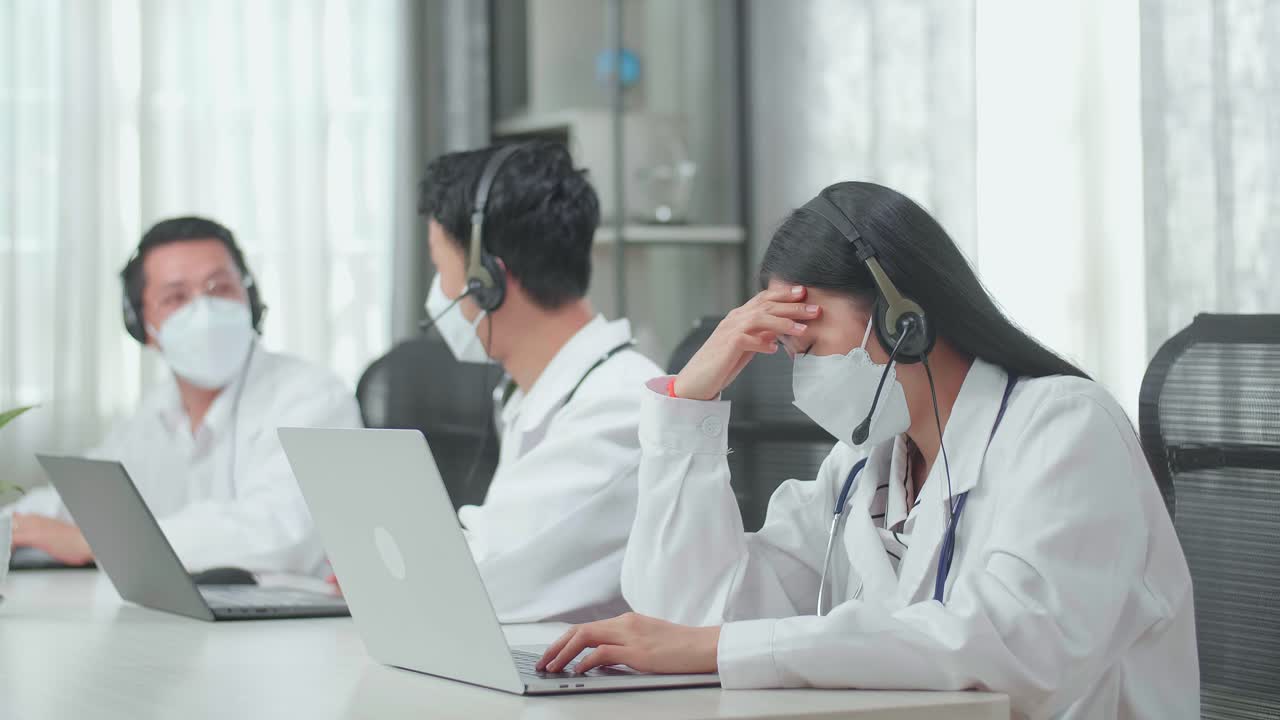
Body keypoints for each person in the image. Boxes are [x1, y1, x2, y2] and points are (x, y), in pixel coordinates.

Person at [537, 182, 1198, 718]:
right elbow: (688, 616)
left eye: (806, 337)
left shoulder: (1065, 428)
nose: (800, 371)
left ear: (898, 316)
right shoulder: (863, 466)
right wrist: (689, 403)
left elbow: (1013, 649)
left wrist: (719, 647)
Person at [5, 217, 361, 576]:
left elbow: (280, 535)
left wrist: (92, 542)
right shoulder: (155, 410)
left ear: (249, 299)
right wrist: (12, 526)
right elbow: (85, 503)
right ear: (142, 325)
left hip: (299, 624)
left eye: (219, 289)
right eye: (176, 297)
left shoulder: (313, 397)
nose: (203, 311)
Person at [416, 141, 663, 623]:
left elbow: (481, 583)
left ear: (485, 280)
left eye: (439, 268)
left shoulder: (622, 405)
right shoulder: (539, 394)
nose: (437, 292)